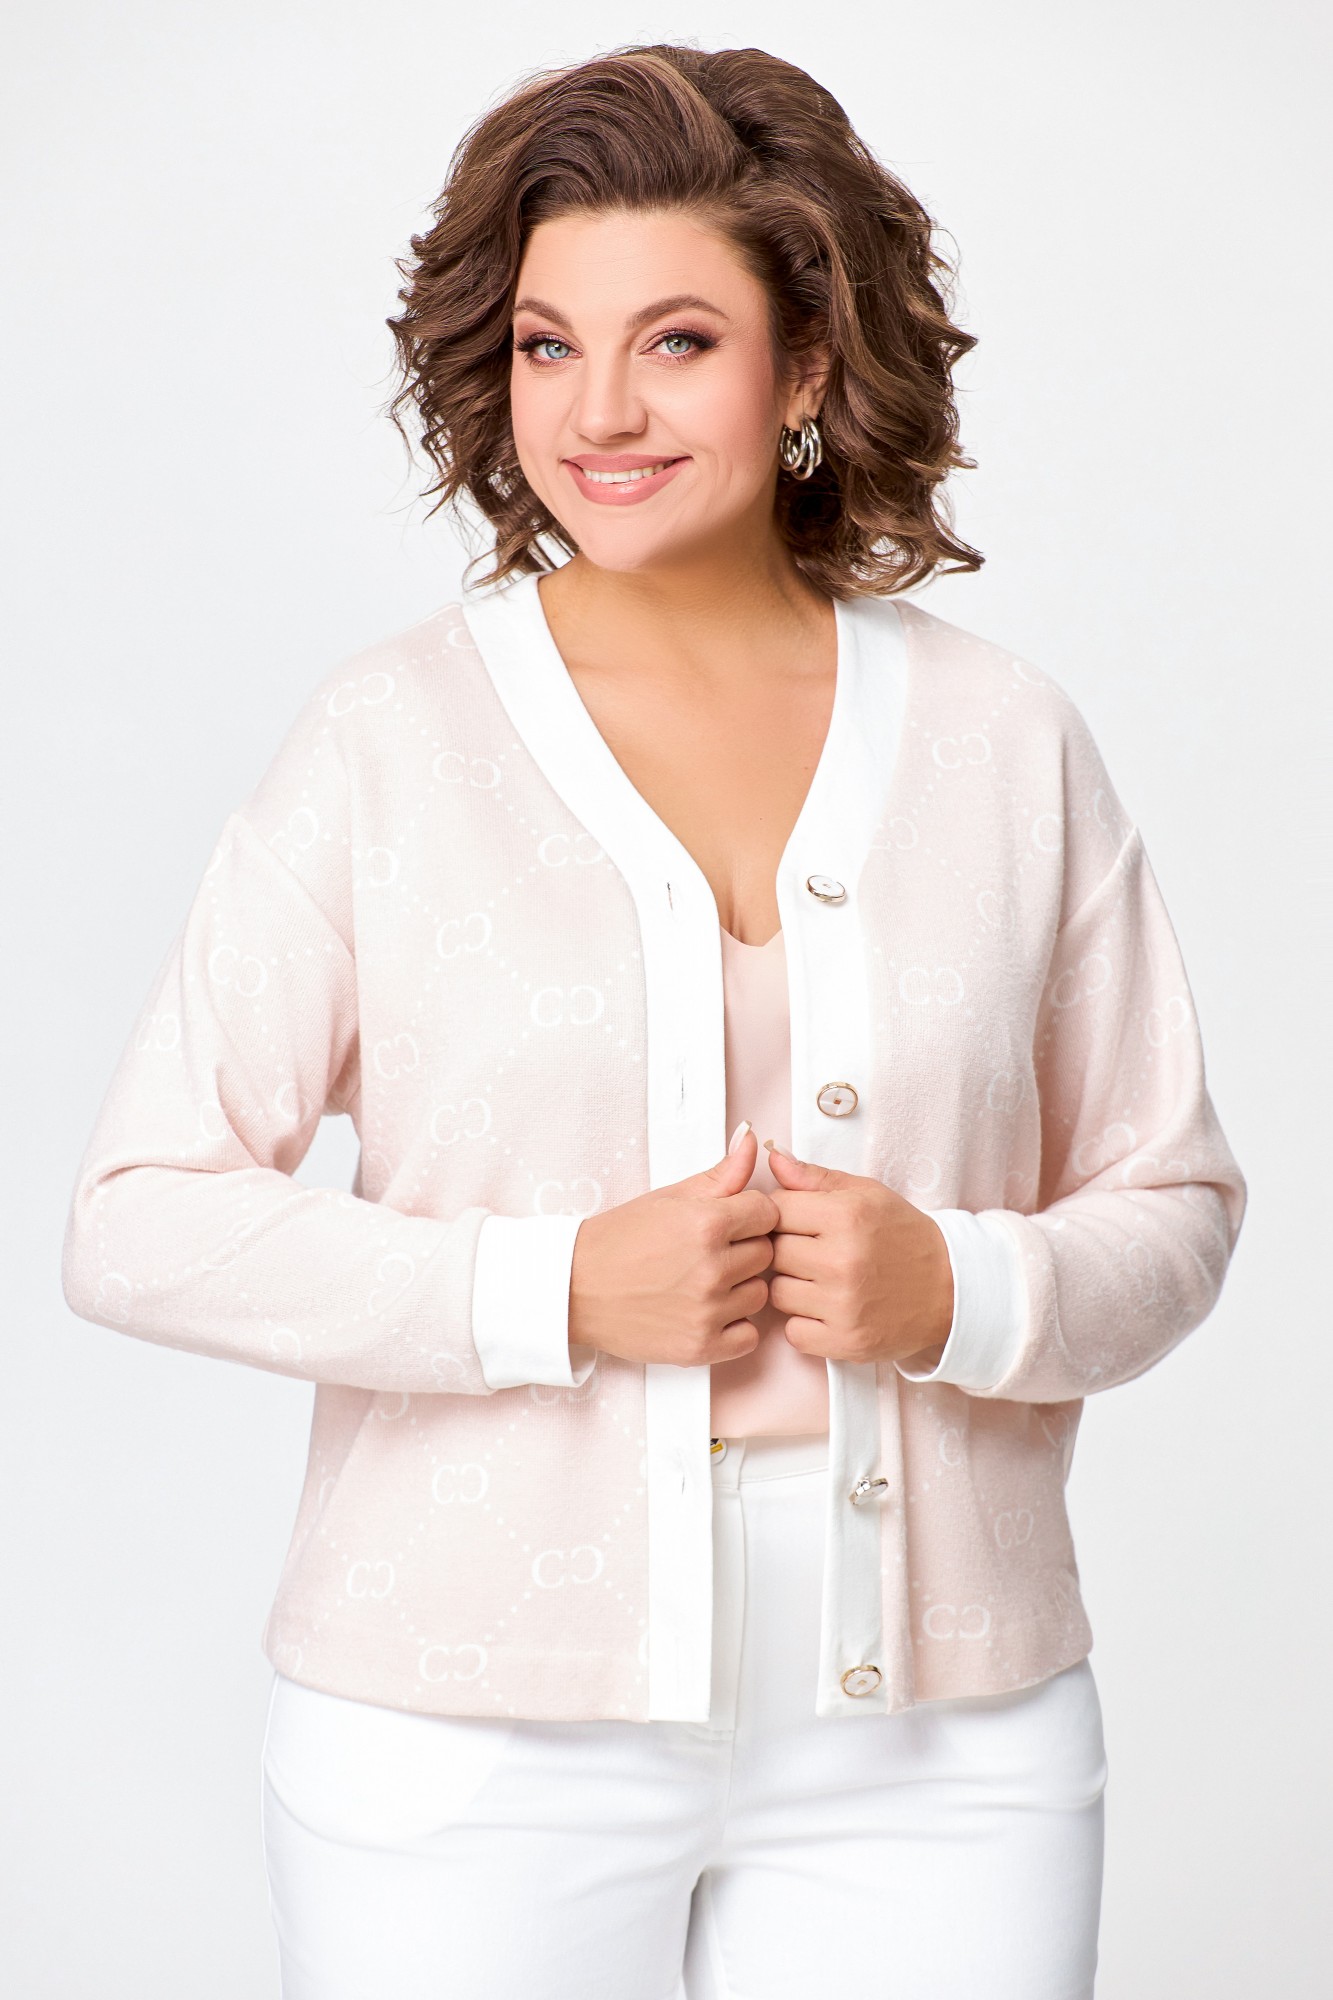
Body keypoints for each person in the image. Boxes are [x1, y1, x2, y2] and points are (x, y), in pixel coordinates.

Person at [61, 40, 1248, 2000]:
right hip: (463, 1731)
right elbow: (138, 1213)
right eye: (546, 347)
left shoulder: (1000, 739)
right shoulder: (387, 741)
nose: (597, 412)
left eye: (675, 343)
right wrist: (546, 1291)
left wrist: (959, 1287)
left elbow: (1173, 1202)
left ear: (807, 365)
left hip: (944, 1742)